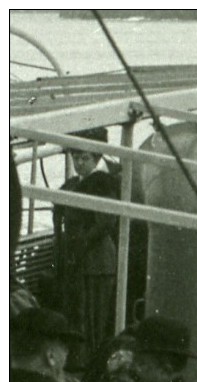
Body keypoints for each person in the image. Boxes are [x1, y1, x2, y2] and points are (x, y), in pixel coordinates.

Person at [53, 127, 119, 367]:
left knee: (92, 319)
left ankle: (89, 367)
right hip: (76, 261)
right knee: (76, 314)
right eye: (75, 158)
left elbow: (105, 223)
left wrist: (78, 245)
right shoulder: (73, 183)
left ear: (97, 159)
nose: (79, 163)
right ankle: (78, 363)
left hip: (96, 262)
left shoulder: (104, 184)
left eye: (85, 158)